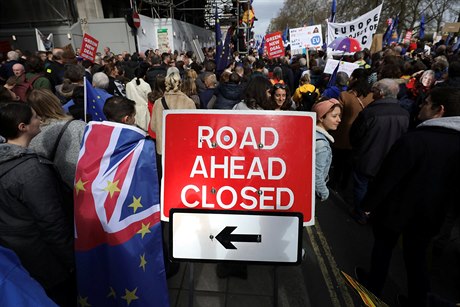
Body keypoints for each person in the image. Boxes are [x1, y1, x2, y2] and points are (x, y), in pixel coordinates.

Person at [355, 87, 460, 306]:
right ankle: (418, 300)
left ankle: (373, 287)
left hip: (396, 211)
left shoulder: (415, 139)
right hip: (431, 216)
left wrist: (368, 205)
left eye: (426, 102)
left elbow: (387, 178)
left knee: (383, 250)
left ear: (439, 110)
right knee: (417, 260)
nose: (421, 105)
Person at [0, 103, 75, 306]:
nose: (40, 120)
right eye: (35, 117)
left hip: (14, 259)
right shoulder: (31, 171)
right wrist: (72, 260)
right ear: (22, 126)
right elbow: (52, 222)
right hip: (45, 264)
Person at [349, 79, 409, 224]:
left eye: (374, 90)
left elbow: (355, 135)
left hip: (367, 158)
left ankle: (361, 213)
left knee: (361, 187)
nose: (371, 93)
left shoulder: (370, 113)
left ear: (381, 93)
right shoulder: (405, 114)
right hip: (389, 160)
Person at [27, 88, 86, 188]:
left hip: (54, 190)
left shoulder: (32, 135)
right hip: (82, 186)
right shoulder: (80, 126)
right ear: (56, 101)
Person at [330, 68, 373, 192]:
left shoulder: (345, 95)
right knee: (350, 164)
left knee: (338, 162)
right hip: (361, 136)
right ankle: (345, 185)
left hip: (343, 134)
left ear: (354, 79)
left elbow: (338, 115)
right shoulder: (371, 96)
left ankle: (335, 185)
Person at [312, 99, 342, 201]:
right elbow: (316, 177)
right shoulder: (322, 144)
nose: (339, 120)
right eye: (334, 116)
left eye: (339, 116)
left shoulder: (310, 134)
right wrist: (325, 193)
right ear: (321, 117)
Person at [126, 64, 152, 132]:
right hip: (144, 112)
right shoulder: (146, 85)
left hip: (132, 111)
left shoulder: (128, 85)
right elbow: (149, 98)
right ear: (144, 76)